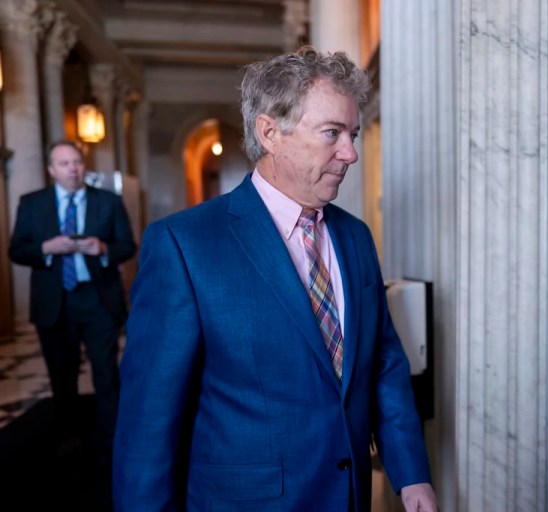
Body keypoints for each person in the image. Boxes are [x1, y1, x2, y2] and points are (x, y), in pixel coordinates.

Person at [112, 47, 439, 512]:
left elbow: (383, 361)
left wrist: (411, 476)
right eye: (332, 133)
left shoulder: (356, 237)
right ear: (270, 132)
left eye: (353, 134)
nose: (349, 153)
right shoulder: (183, 246)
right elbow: (150, 424)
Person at [8, 139, 137, 461]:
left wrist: (104, 249)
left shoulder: (108, 201)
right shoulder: (32, 203)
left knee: (106, 373)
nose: (73, 169)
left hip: (98, 299)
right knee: (61, 376)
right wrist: (45, 249)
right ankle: (69, 437)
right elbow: (16, 250)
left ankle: (111, 440)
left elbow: (128, 245)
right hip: (54, 302)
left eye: (77, 162)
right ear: (51, 170)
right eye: (64, 164)